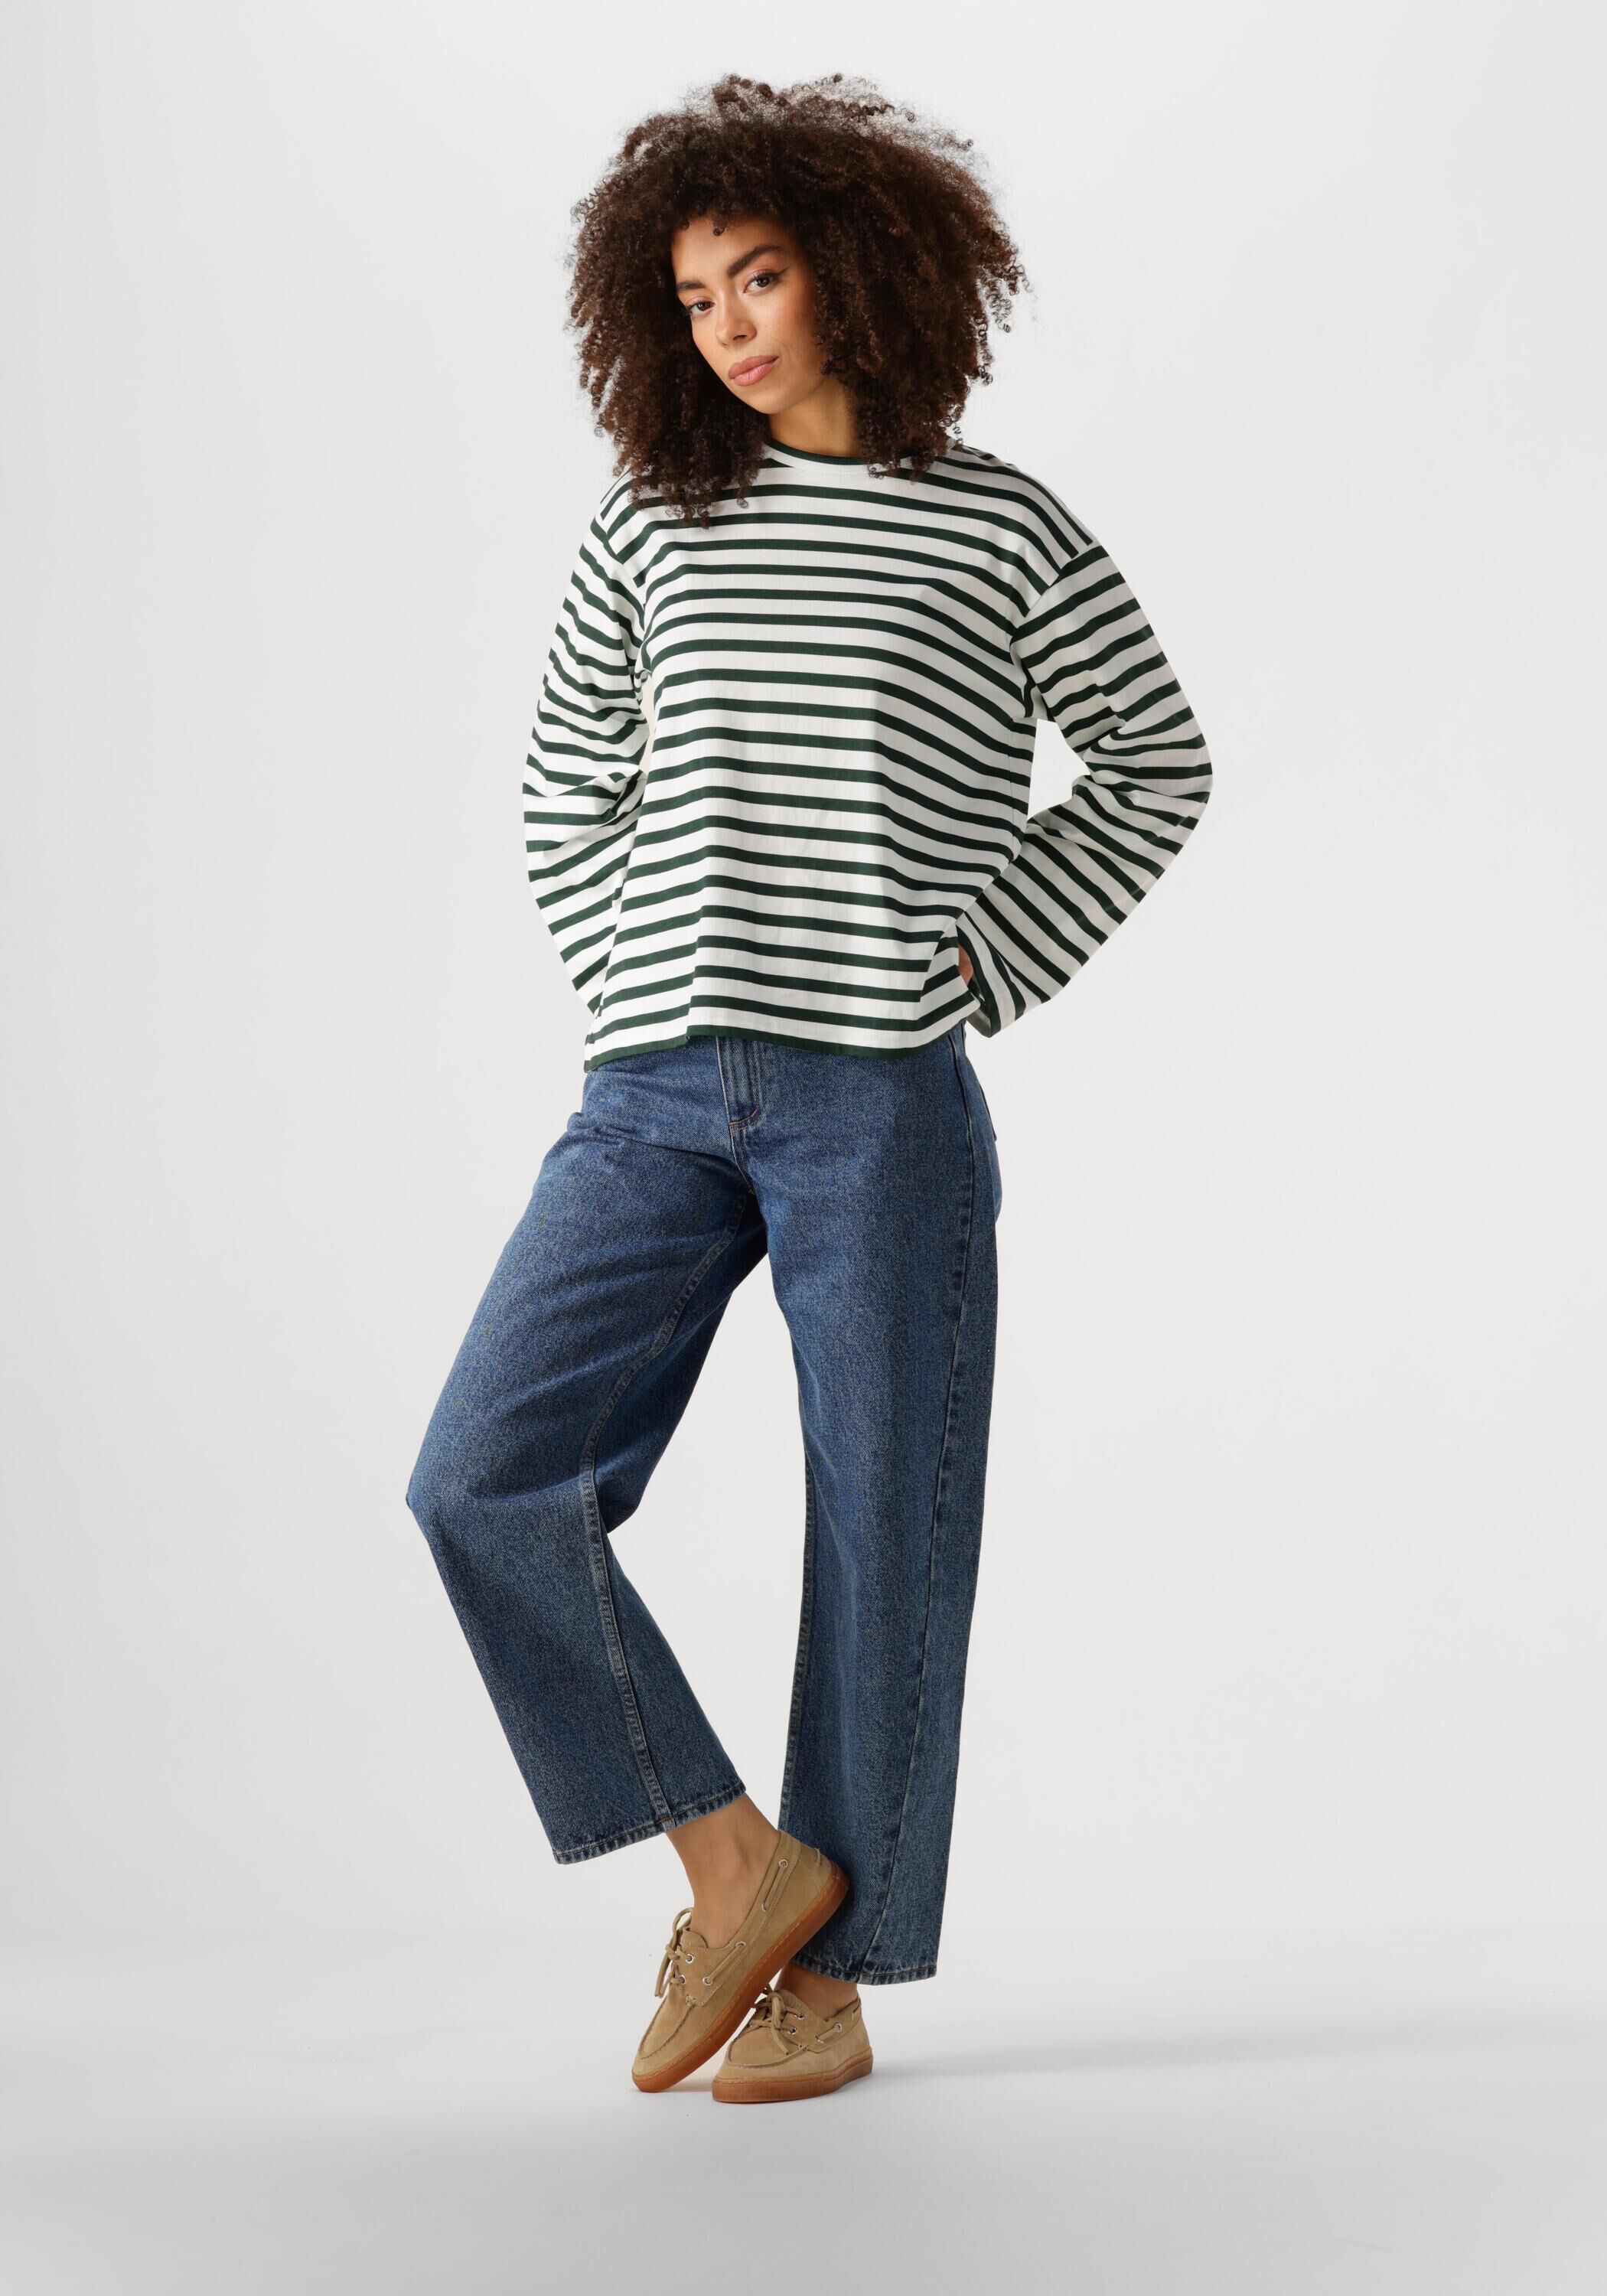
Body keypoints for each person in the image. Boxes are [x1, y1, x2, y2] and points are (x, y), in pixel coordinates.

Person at [405, 71, 1212, 2105]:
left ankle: (827, 1988)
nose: (729, 327)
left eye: (756, 277)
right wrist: (634, 968)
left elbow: (1155, 762)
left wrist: (979, 958)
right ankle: (733, 1865)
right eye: (691, 299)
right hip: (654, 1095)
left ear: (854, 266)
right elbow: (564, 785)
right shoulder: (656, 521)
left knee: (883, 1540)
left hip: (883, 1109)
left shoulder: (999, 526)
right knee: (482, 1480)